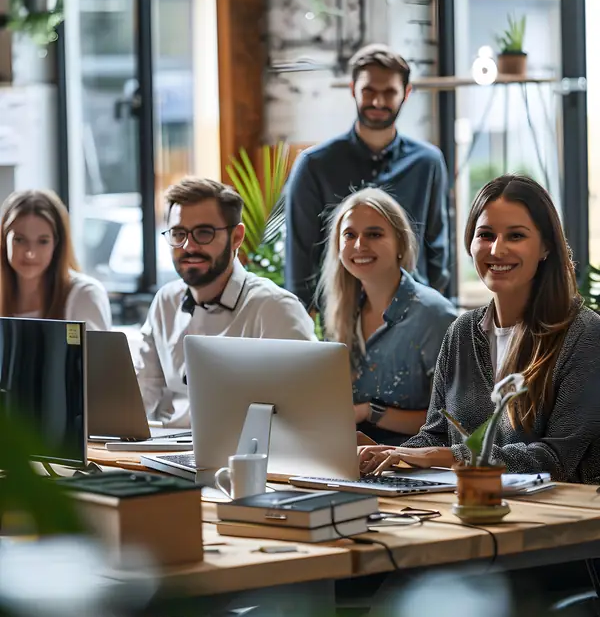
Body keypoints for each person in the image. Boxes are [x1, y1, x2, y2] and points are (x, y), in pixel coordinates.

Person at [359, 174, 600, 483]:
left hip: (559, 510)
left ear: (546, 247)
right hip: (469, 502)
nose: (496, 250)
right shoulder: (461, 332)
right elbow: (435, 437)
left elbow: (555, 459)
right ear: (470, 244)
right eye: (485, 235)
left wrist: (450, 456)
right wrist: (388, 454)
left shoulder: (584, 334)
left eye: (516, 236)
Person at [136, 177, 316, 427]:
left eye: (204, 233)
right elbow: (142, 392)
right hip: (164, 444)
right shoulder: (166, 301)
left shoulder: (275, 308)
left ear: (236, 237)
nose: (189, 246)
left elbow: (302, 410)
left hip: (239, 448)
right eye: (178, 233)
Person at [285, 43, 450, 309]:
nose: (378, 102)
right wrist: (302, 318)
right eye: (368, 91)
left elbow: (438, 248)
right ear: (353, 89)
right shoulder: (314, 165)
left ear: (406, 93)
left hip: (413, 314)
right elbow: (300, 256)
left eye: (389, 92)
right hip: (340, 314)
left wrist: (436, 311)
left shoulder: (428, 162)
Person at [318, 188, 457, 445]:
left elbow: (453, 422)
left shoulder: (434, 316)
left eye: (374, 234)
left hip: (415, 461)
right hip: (350, 455)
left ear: (400, 244)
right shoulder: (340, 312)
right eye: (349, 235)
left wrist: (370, 412)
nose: (359, 245)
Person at [0, 189, 111, 330]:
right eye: (20, 240)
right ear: (4, 239)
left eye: (43, 241)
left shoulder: (85, 295)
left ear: (57, 244)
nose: (30, 253)